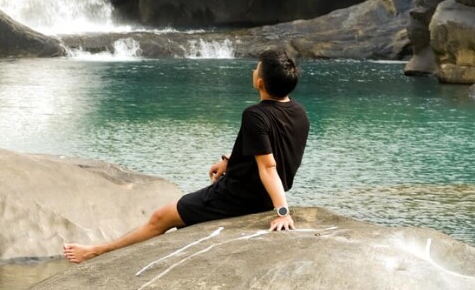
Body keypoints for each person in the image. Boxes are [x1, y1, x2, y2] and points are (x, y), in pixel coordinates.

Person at [63, 48, 310, 264]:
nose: (253, 71)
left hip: (237, 198)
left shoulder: (255, 115)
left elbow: (268, 166)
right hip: (261, 196)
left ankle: (97, 251)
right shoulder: (299, 112)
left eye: (256, 68)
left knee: (161, 217)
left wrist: (282, 212)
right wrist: (228, 161)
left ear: (260, 82)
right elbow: (272, 146)